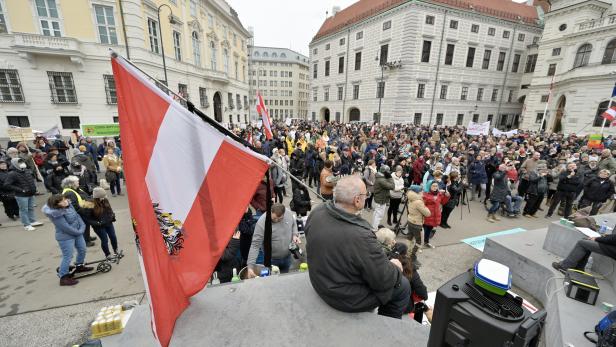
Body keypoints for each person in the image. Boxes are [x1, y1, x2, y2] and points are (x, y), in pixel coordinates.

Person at [305, 175, 410, 319]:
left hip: (321, 281)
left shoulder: (318, 211)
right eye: (365, 194)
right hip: (342, 297)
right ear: (357, 200)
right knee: (403, 286)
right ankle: (386, 329)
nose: (367, 196)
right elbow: (383, 280)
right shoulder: (361, 236)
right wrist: (396, 268)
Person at [42, 194, 92, 286]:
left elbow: (77, 216)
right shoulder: (56, 213)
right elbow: (64, 227)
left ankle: (79, 266)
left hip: (77, 232)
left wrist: (82, 227)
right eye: (62, 201)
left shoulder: (69, 205)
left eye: (65, 199)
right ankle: (63, 277)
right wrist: (79, 232)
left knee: (82, 249)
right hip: (65, 237)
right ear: (56, 204)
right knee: (68, 256)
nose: (65, 201)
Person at [246, 203, 300, 276]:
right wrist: (250, 267)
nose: (276, 220)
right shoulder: (262, 222)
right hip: (271, 260)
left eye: (280, 219)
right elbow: (255, 245)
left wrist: (295, 234)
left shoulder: (288, 214)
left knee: (285, 278)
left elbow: (293, 224)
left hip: (287, 257)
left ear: (284, 214)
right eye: (274, 218)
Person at [79, 187, 121, 259]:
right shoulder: (90, 204)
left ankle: (116, 251)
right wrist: (97, 223)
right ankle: (107, 255)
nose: (104, 198)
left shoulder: (105, 200)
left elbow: (109, 209)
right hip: (99, 226)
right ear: (97, 197)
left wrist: (112, 215)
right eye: (102, 196)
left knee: (113, 237)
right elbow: (86, 218)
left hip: (108, 222)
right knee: (105, 240)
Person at [4, 158, 43, 230]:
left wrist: (33, 189)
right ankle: (26, 225)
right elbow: (7, 185)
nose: (22, 163)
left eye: (22, 162)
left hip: (30, 193)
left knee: (30, 208)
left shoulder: (26, 171)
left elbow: (31, 181)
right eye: (19, 162)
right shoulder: (12, 174)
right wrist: (21, 190)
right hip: (21, 195)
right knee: (24, 210)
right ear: (15, 164)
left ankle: (32, 221)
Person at [62, 175, 96, 247]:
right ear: (71, 184)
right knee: (83, 226)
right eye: (77, 181)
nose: (78, 182)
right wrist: (84, 212)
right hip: (81, 213)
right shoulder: (69, 193)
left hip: (85, 210)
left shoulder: (76, 189)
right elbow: (74, 206)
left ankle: (87, 237)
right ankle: (85, 241)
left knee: (87, 225)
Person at [422, 181, 450, 248]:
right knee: (423, 230)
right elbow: (422, 205)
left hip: (435, 215)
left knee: (429, 229)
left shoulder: (439, 194)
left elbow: (443, 202)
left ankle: (426, 242)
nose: (435, 187)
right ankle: (419, 244)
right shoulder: (425, 194)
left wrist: (447, 196)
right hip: (427, 215)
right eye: (433, 186)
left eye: (436, 186)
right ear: (429, 186)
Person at [406, 185, 430, 256]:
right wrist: (425, 207)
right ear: (417, 192)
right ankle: (412, 255)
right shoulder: (418, 202)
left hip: (410, 221)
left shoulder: (411, 198)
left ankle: (408, 251)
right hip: (417, 223)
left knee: (409, 237)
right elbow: (428, 213)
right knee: (419, 241)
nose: (422, 192)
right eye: (421, 191)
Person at [372, 165, 395, 229]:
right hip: (381, 199)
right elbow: (392, 186)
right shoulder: (381, 180)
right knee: (379, 215)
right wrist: (390, 177)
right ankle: (375, 228)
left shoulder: (380, 177)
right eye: (388, 172)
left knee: (376, 213)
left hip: (380, 198)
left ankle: (374, 226)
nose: (389, 173)